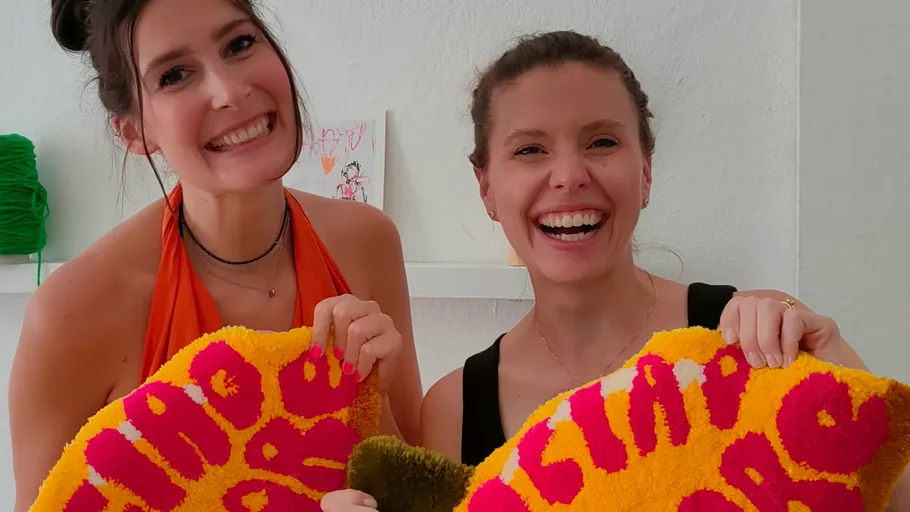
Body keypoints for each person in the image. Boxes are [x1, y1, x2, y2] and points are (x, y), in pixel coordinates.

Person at [321, 30, 909, 510]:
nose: (569, 175)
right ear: (487, 189)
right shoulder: (455, 406)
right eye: (530, 149)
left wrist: (835, 360)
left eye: (601, 141)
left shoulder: (749, 335)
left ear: (645, 172)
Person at [7, 0, 422, 509]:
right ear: (136, 131)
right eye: (175, 75)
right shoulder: (72, 313)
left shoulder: (368, 242)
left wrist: (370, 403)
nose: (230, 92)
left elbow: (421, 485)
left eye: (240, 44)